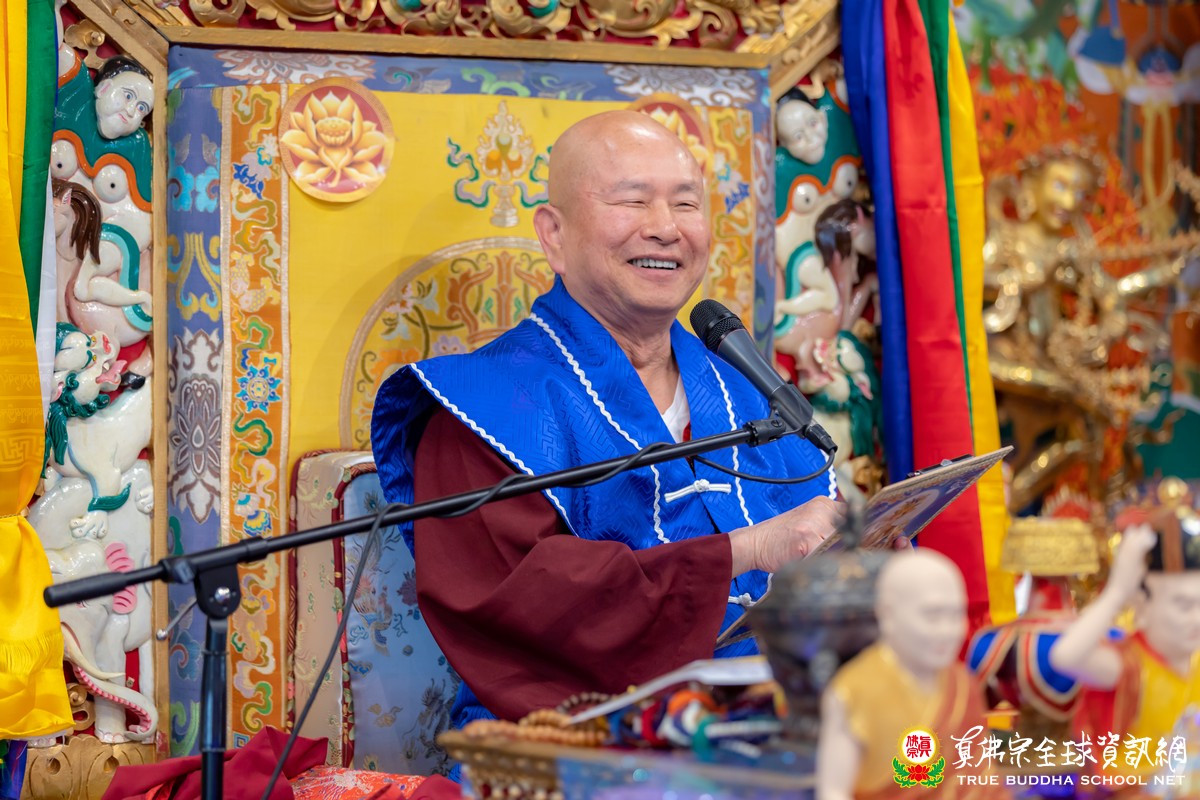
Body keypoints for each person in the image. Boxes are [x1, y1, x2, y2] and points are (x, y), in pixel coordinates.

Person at [371, 111, 846, 735]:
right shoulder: (481, 407)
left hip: (780, 715)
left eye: (686, 204)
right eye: (632, 201)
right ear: (554, 234)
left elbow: (819, 539)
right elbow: (526, 605)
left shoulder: (741, 386)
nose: (665, 228)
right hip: (583, 739)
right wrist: (748, 551)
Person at [817, 550, 1002, 800]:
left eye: (956, 615)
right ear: (888, 614)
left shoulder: (962, 685)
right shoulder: (854, 690)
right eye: (933, 616)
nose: (947, 631)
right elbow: (834, 791)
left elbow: (981, 779)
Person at [1049, 497, 1200, 780]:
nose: (1197, 618)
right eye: (1183, 605)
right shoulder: (1130, 666)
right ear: (1142, 606)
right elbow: (1065, 657)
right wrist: (1117, 592)